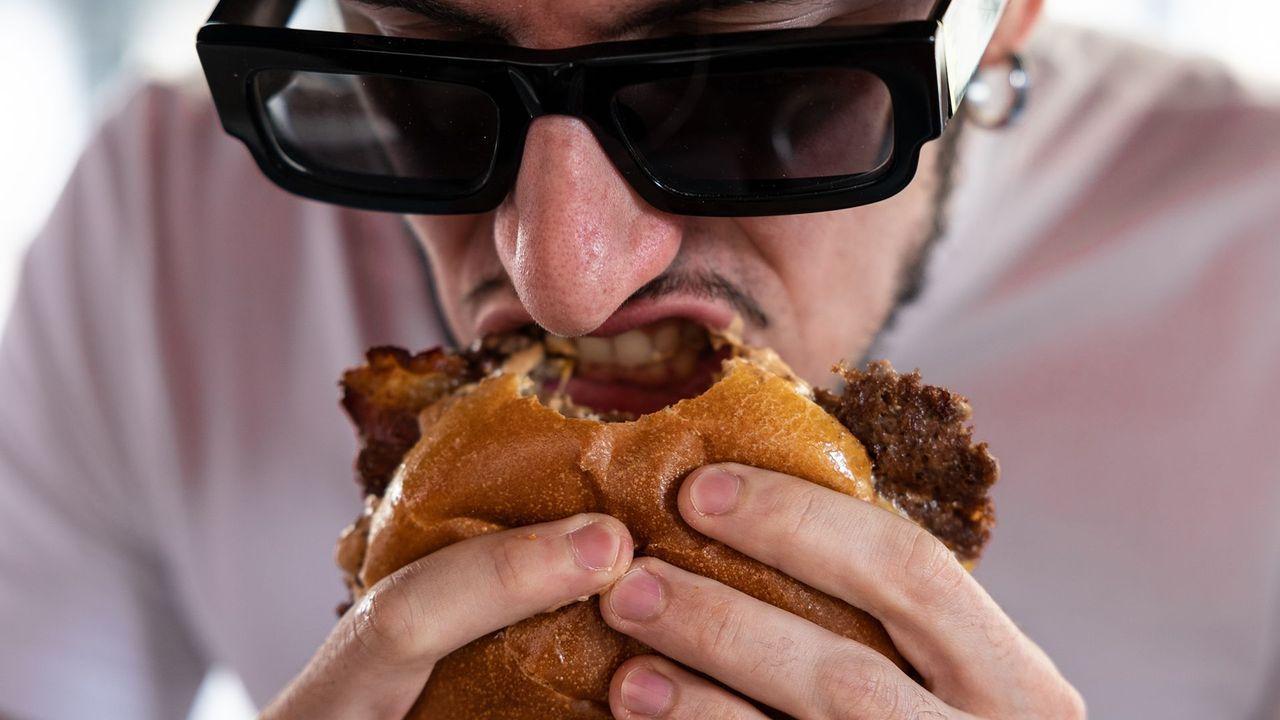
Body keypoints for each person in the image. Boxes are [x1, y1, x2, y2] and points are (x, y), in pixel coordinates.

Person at [1, 0, 1277, 718]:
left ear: (999, 24)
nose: (564, 276)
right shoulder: (156, 223)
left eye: (735, 90)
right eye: (431, 84)